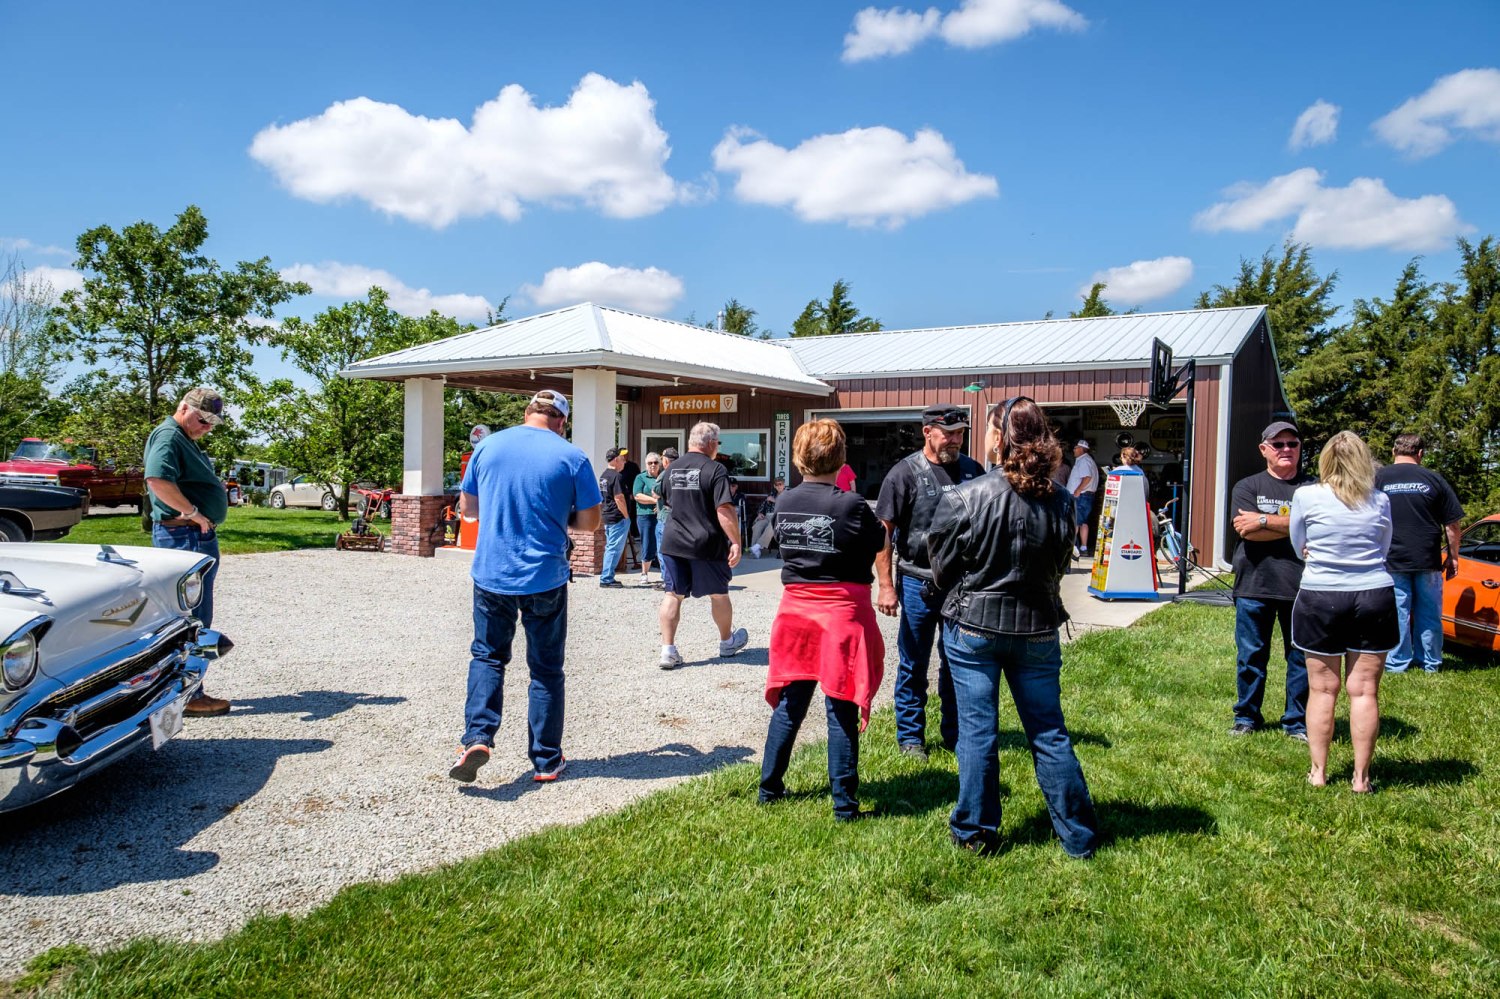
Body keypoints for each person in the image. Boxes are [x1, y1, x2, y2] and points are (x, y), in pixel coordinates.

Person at [928, 396, 1099, 858]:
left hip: (974, 628)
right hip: (1036, 628)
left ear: (1001, 437)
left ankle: (974, 831)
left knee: (977, 731)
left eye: (988, 428)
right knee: (1048, 732)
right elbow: (1060, 566)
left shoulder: (966, 496)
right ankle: (1078, 836)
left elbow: (941, 568)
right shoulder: (1062, 502)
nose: (983, 437)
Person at [448, 389, 602, 785]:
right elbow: (591, 523)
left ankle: (477, 738)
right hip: (545, 575)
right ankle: (546, 760)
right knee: (546, 669)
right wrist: (558, 515)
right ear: (561, 421)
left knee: (488, 657)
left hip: (492, 573)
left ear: (527, 412)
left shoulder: (487, 447)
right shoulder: (573, 457)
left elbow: (468, 510)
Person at [760, 420, 887, 821]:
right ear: (841, 458)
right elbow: (879, 541)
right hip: (840, 613)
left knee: (791, 704)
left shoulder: (784, 501)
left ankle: (768, 789)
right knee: (841, 706)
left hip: (795, 611)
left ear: (799, 458)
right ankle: (844, 805)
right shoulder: (851, 504)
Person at [875, 404, 985, 760]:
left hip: (961, 584)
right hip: (917, 582)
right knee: (913, 663)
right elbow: (883, 533)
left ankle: (955, 735)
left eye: (960, 434)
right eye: (948, 434)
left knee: (957, 662)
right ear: (927, 432)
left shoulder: (973, 471)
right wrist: (886, 585)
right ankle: (911, 738)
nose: (956, 440)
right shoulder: (904, 473)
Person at [1289, 431, 1396, 793]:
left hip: (1321, 594)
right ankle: (1361, 779)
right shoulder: (1380, 500)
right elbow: (1384, 547)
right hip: (1373, 594)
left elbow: (1298, 544)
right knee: (1364, 691)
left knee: (1322, 689)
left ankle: (1318, 772)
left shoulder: (1305, 495)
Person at [144, 387, 232, 717]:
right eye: (202, 419)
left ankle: (183, 690)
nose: (206, 427)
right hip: (185, 535)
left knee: (192, 616)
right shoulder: (169, 436)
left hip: (190, 535)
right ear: (183, 408)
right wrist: (193, 513)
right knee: (192, 619)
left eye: (211, 423)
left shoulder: (182, 438)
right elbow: (157, 480)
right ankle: (189, 694)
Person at [1229, 421, 1316, 740]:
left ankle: (1296, 722)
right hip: (1255, 584)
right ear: (1264, 449)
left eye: (1292, 443)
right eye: (1278, 444)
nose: (1286, 449)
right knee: (1251, 657)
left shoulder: (1315, 488)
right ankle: (1246, 717)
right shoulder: (1247, 486)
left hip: (1304, 585)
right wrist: (1296, 526)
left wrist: (1264, 520)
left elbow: (1318, 529)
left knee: (1300, 657)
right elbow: (1246, 531)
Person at [657, 423, 750, 668]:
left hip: (673, 541)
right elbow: (724, 508)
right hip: (706, 543)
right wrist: (736, 541)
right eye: (717, 443)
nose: (717, 447)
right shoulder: (716, 469)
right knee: (719, 594)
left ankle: (667, 650)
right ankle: (727, 642)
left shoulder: (672, 468)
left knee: (673, 594)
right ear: (710, 443)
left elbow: (667, 501)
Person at [1375, 434, 1464, 674]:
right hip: (1428, 559)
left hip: (1391, 559)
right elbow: (1452, 524)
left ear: (1394, 451)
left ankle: (1396, 663)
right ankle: (1430, 662)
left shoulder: (1379, 478)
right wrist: (1453, 556)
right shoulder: (1434, 479)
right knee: (1429, 613)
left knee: (1397, 613)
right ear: (1420, 453)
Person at [597, 446, 630, 588]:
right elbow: (619, 498)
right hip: (617, 517)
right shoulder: (616, 476)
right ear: (616, 460)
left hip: (608, 515)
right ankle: (606, 579)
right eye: (622, 459)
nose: (624, 461)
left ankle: (607, 576)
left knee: (610, 547)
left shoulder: (604, 475)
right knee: (614, 548)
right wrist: (626, 516)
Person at [1066, 439, 1099, 557]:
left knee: (1075, 521)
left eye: (1075, 448)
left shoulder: (1084, 461)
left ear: (1081, 449)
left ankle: (1071, 547)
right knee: (1083, 522)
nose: (1074, 450)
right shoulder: (1088, 460)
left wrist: (1078, 490)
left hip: (1081, 495)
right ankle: (1083, 547)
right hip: (1086, 495)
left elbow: (1087, 477)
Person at [633, 452, 662, 581]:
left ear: (659, 464)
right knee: (647, 543)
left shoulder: (663, 476)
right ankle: (644, 573)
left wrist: (661, 505)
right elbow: (637, 496)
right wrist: (656, 501)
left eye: (655, 462)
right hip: (646, 515)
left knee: (662, 544)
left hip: (662, 516)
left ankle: (665, 574)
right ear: (646, 464)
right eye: (650, 463)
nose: (653, 465)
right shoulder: (641, 477)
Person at [653, 447, 679, 591]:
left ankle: (667, 581)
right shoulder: (681, 473)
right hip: (677, 517)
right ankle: (673, 579)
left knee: (663, 551)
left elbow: (655, 491)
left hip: (664, 516)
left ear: (666, 460)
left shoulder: (665, 473)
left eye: (662, 458)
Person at [749, 475, 785, 557]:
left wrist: (774, 500)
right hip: (767, 516)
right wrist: (760, 513)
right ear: (774, 486)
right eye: (777, 484)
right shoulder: (772, 493)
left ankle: (757, 546)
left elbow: (787, 506)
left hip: (779, 517)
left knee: (771, 526)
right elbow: (763, 505)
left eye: (780, 484)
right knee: (757, 526)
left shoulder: (788, 494)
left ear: (784, 484)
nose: (779, 486)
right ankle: (755, 551)